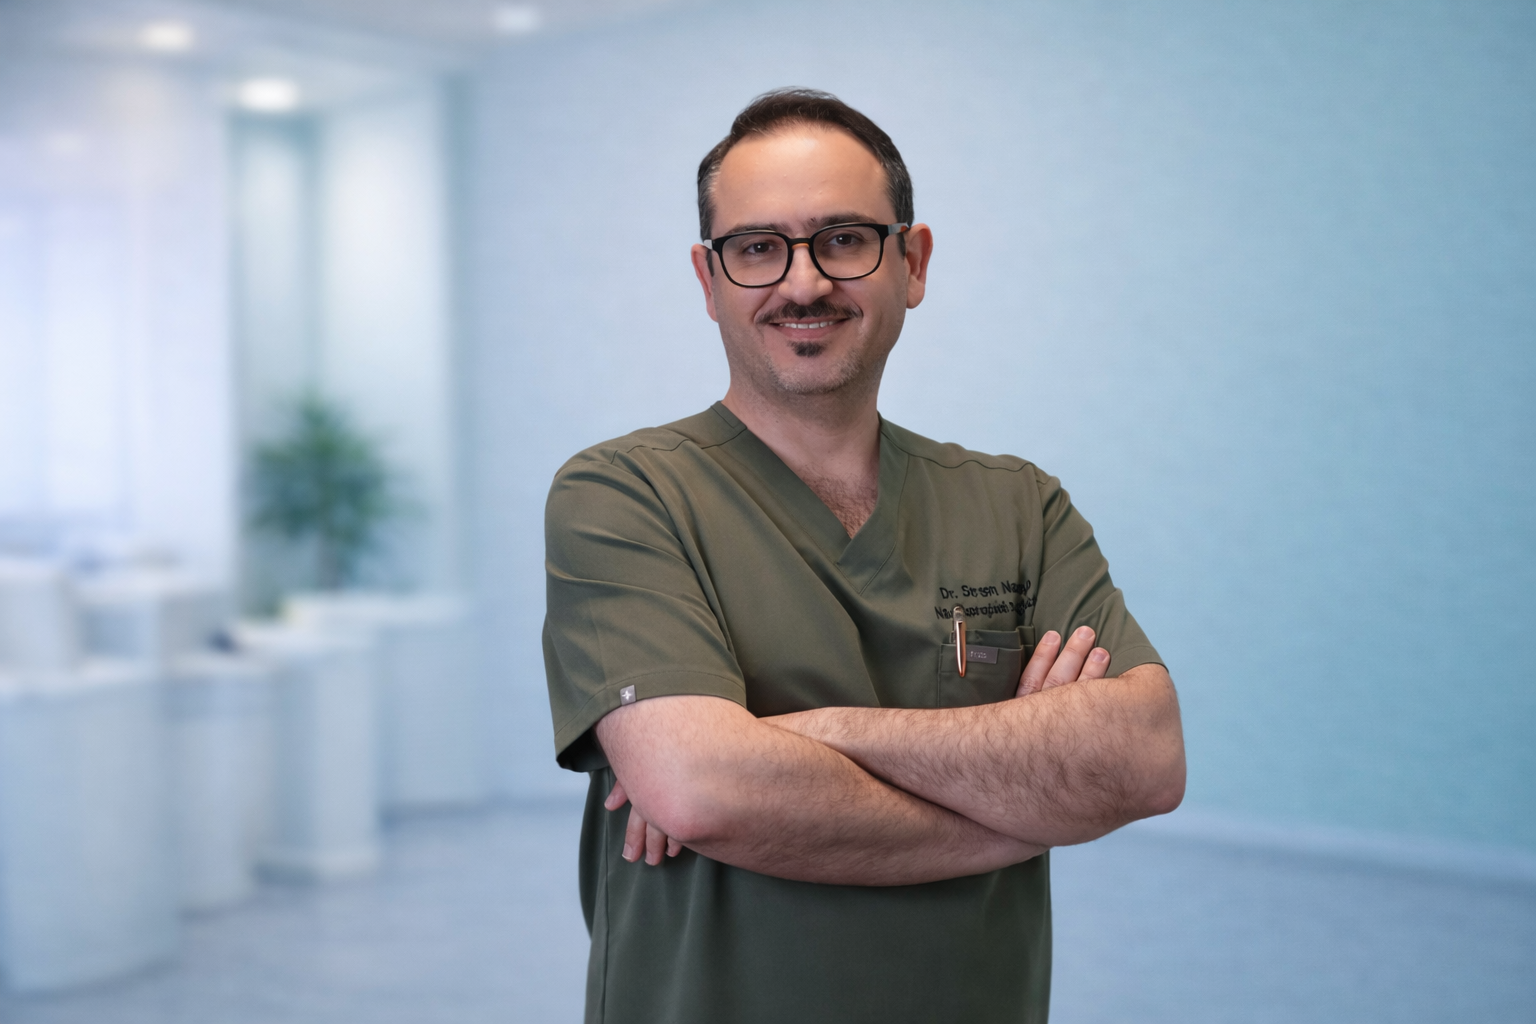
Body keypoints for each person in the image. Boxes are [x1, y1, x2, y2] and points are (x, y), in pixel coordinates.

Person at [542, 87, 1185, 1024]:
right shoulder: (622, 493)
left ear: (912, 262)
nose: (802, 283)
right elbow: (704, 789)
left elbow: (1145, 761)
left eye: (845, 238)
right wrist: (1030, 802)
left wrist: (812, 735)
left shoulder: (1018, 505)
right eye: (758, 248)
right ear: (709, 279)